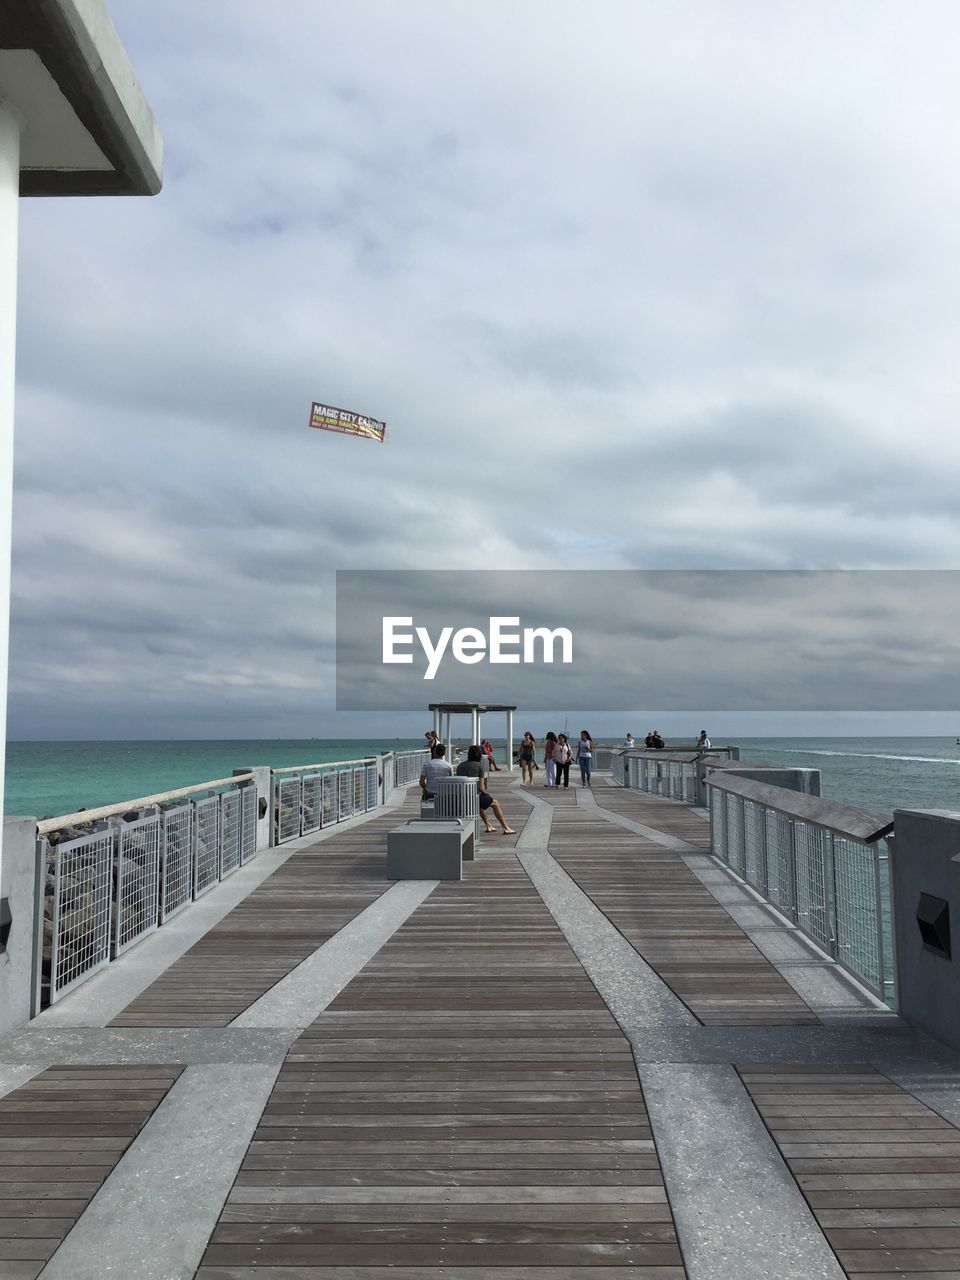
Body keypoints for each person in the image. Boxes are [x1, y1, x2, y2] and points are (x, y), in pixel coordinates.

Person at [456, 745, 516, 834]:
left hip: (461, 798)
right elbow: (481, 787)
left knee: (480, 803)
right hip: (473, 797)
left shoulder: (460, 766)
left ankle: (489, 825)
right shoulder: (479, 766)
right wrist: (485, 792)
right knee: (494, 803)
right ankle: (506, 827)